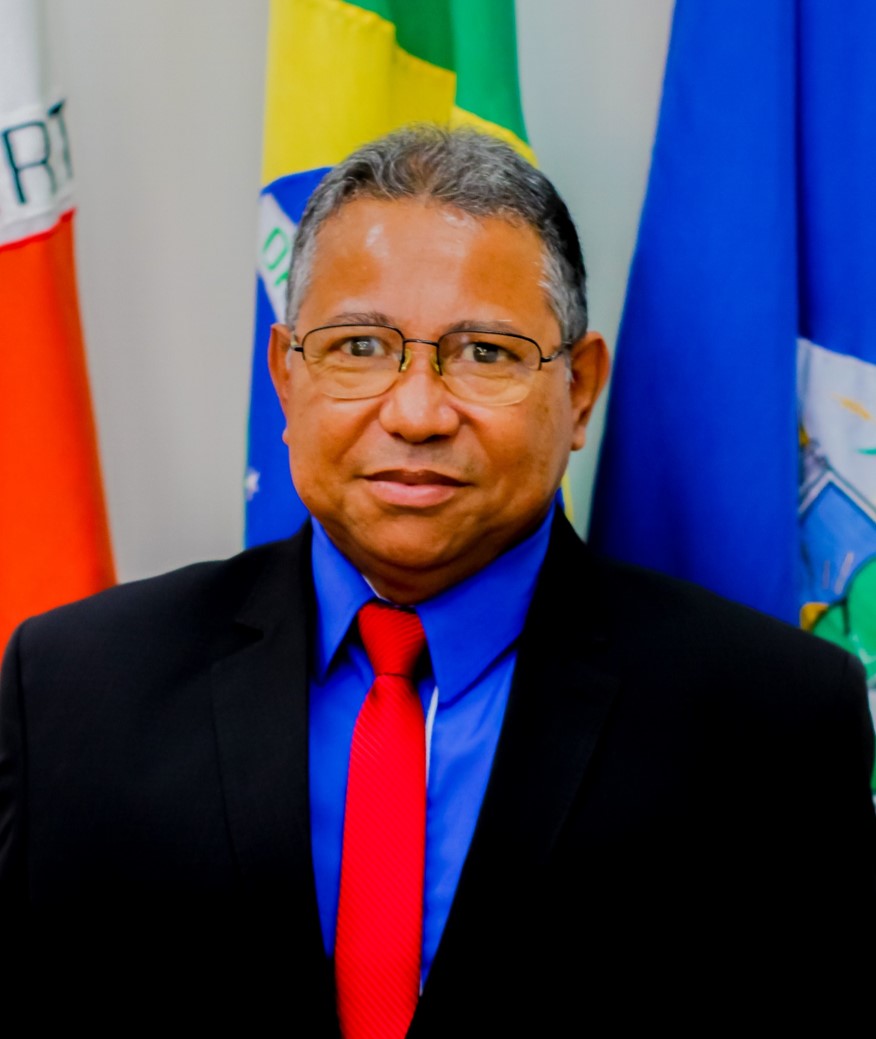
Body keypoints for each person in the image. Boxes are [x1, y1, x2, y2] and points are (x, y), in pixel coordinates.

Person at [1, 125, 874, 1032]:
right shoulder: (75, 690)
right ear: (287, 380)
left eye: (486, 353)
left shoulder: (772, 720)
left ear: (579, 389)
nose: (416, 413)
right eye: (359, 346)